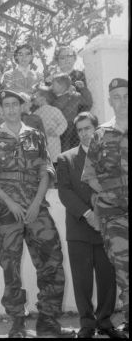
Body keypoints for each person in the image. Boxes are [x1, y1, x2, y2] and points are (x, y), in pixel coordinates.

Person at [0, 90, 73, 338]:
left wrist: (35, 203)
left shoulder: (35, 135)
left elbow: (45, 171)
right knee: (10, 268)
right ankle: (17, 322)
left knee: (52, 264)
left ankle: (48, 320)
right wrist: (10, 202)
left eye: (15, 104)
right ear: (1, 108)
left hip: (36, 210)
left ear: (22, 107)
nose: (11, 108)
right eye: (6, 105)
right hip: (5, 212)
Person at [57, 112, 123, 339]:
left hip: (107, 227)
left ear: (97, 130)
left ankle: (105, 321)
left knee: (107, 278)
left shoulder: (109, 156)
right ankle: (86, 323)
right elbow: (65, 192)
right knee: (82, 279)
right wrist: (88, 213)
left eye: (88, 128)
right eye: (80, 130)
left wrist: (102, 215)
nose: (85, 133)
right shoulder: (66, 158)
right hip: (79, 228)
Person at [82, 78, 129, 335]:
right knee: (125, 273)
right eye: (117, 97)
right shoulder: (100, 134)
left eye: (126, 95)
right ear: (110, 101)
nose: (122, 102)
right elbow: (90, 176)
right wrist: (112, 194)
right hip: (115, 216)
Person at [52, 73, 92, 152]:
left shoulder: (75, 96)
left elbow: (87, 103)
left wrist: (83, 89)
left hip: (70, 127)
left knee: (68, 147)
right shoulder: (54, 98)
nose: (51, 87)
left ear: (61, 86)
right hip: (57, 128)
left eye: (53, 85)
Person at [32, 86, 68, 165]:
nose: (34, 98)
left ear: (43, 98)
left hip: (52, 140)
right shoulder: (35, 113)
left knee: (53, 160)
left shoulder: (53, 110)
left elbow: (63, 123)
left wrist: (56, 131)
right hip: (42, 142)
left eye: (36, 96)